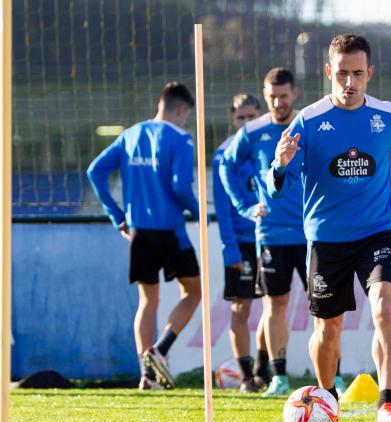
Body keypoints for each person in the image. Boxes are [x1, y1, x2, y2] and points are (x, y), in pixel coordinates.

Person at [267, 34, 391, 422]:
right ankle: (327, 398)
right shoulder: (307, 121)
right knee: (328, 329)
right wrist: (281, 165)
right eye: (341, 73)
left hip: (378, 234)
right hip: (326, 241)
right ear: (328, 71)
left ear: (369, 73)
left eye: (357, 73)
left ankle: (387, 405)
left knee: (384, 307)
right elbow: (279, 188)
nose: (349, 82)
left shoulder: (389, 117)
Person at [87, 82, 202, 391]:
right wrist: (198, 211)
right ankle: (160, 350)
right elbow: (180, 186)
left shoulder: (131, 134)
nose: (185, 121)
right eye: (186, 116)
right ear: (181, 110)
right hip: (170, 230)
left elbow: (94, 171)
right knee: (193, 293)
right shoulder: (180, 138)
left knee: (147, 300)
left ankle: (146, 376)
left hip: (138, 229)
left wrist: (117, 215)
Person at [220, 67, 307, 397]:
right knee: (275, 304)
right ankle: (280, 378)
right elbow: (226, 166)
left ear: (294, 94)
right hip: (270, 233)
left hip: (313, 231)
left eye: (284, 96)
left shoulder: (309, 125)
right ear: (265, 94)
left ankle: (335, 378)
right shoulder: (253, 131)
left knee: (324, 306)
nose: (278, 102)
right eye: (272, 96)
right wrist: (245, 206)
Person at [212, 93, 271, 392]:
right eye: (240, 118)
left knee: (272, 304)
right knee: (241, 307)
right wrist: (229, 247)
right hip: (241, 242)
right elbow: (222, 208)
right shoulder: (224, 155)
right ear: (232, 120)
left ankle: (264, 367)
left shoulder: (267, 146)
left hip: (269, 237)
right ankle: (246, 376)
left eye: (251, 116)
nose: (246, 122)